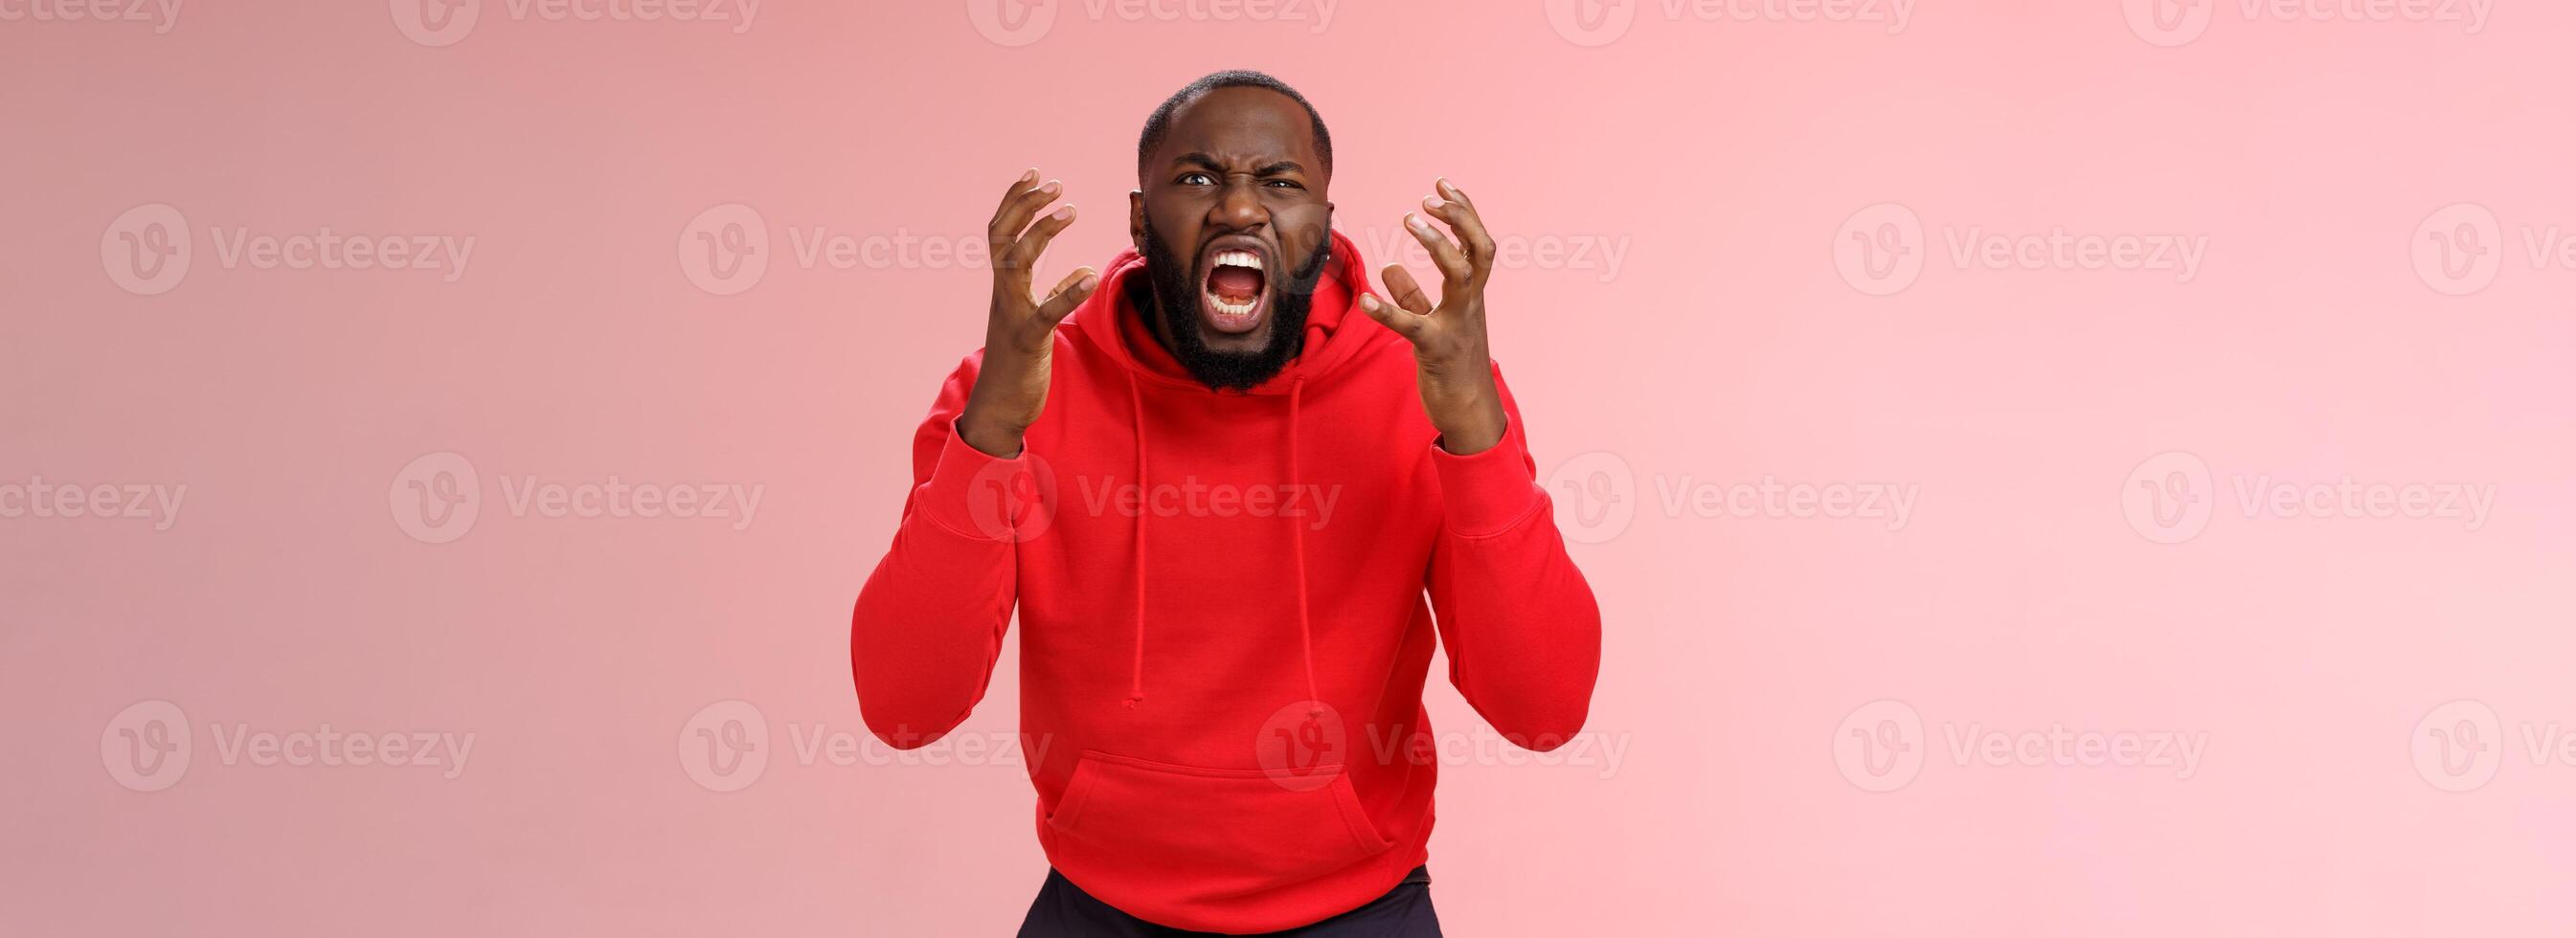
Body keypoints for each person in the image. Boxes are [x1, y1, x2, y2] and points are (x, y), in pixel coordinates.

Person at [851, 70, 1602, 936]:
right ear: (1139, 218)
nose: (1239, 210)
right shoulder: (1018, 390)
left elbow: (1544, 711)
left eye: (1280, 184)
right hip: (1098, 909)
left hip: (1361, 911)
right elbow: (904, 706)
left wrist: (1476, 435)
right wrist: (989, 437)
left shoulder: (1426, 390)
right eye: (1198, 178)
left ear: (1323, 224)